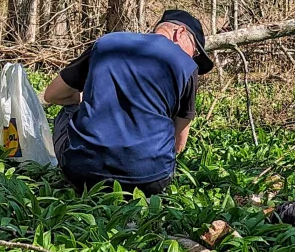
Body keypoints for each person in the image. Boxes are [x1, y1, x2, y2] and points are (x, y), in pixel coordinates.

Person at [43, 10, 215, 194]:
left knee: (69, 110)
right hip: (151, 182)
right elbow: (179, 144)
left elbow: (53, 95)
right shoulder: (187, 66)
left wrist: (83, 99)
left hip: (83, 175)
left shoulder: (107, 43)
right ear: (179, 32)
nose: (192, 57)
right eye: (195, 50)